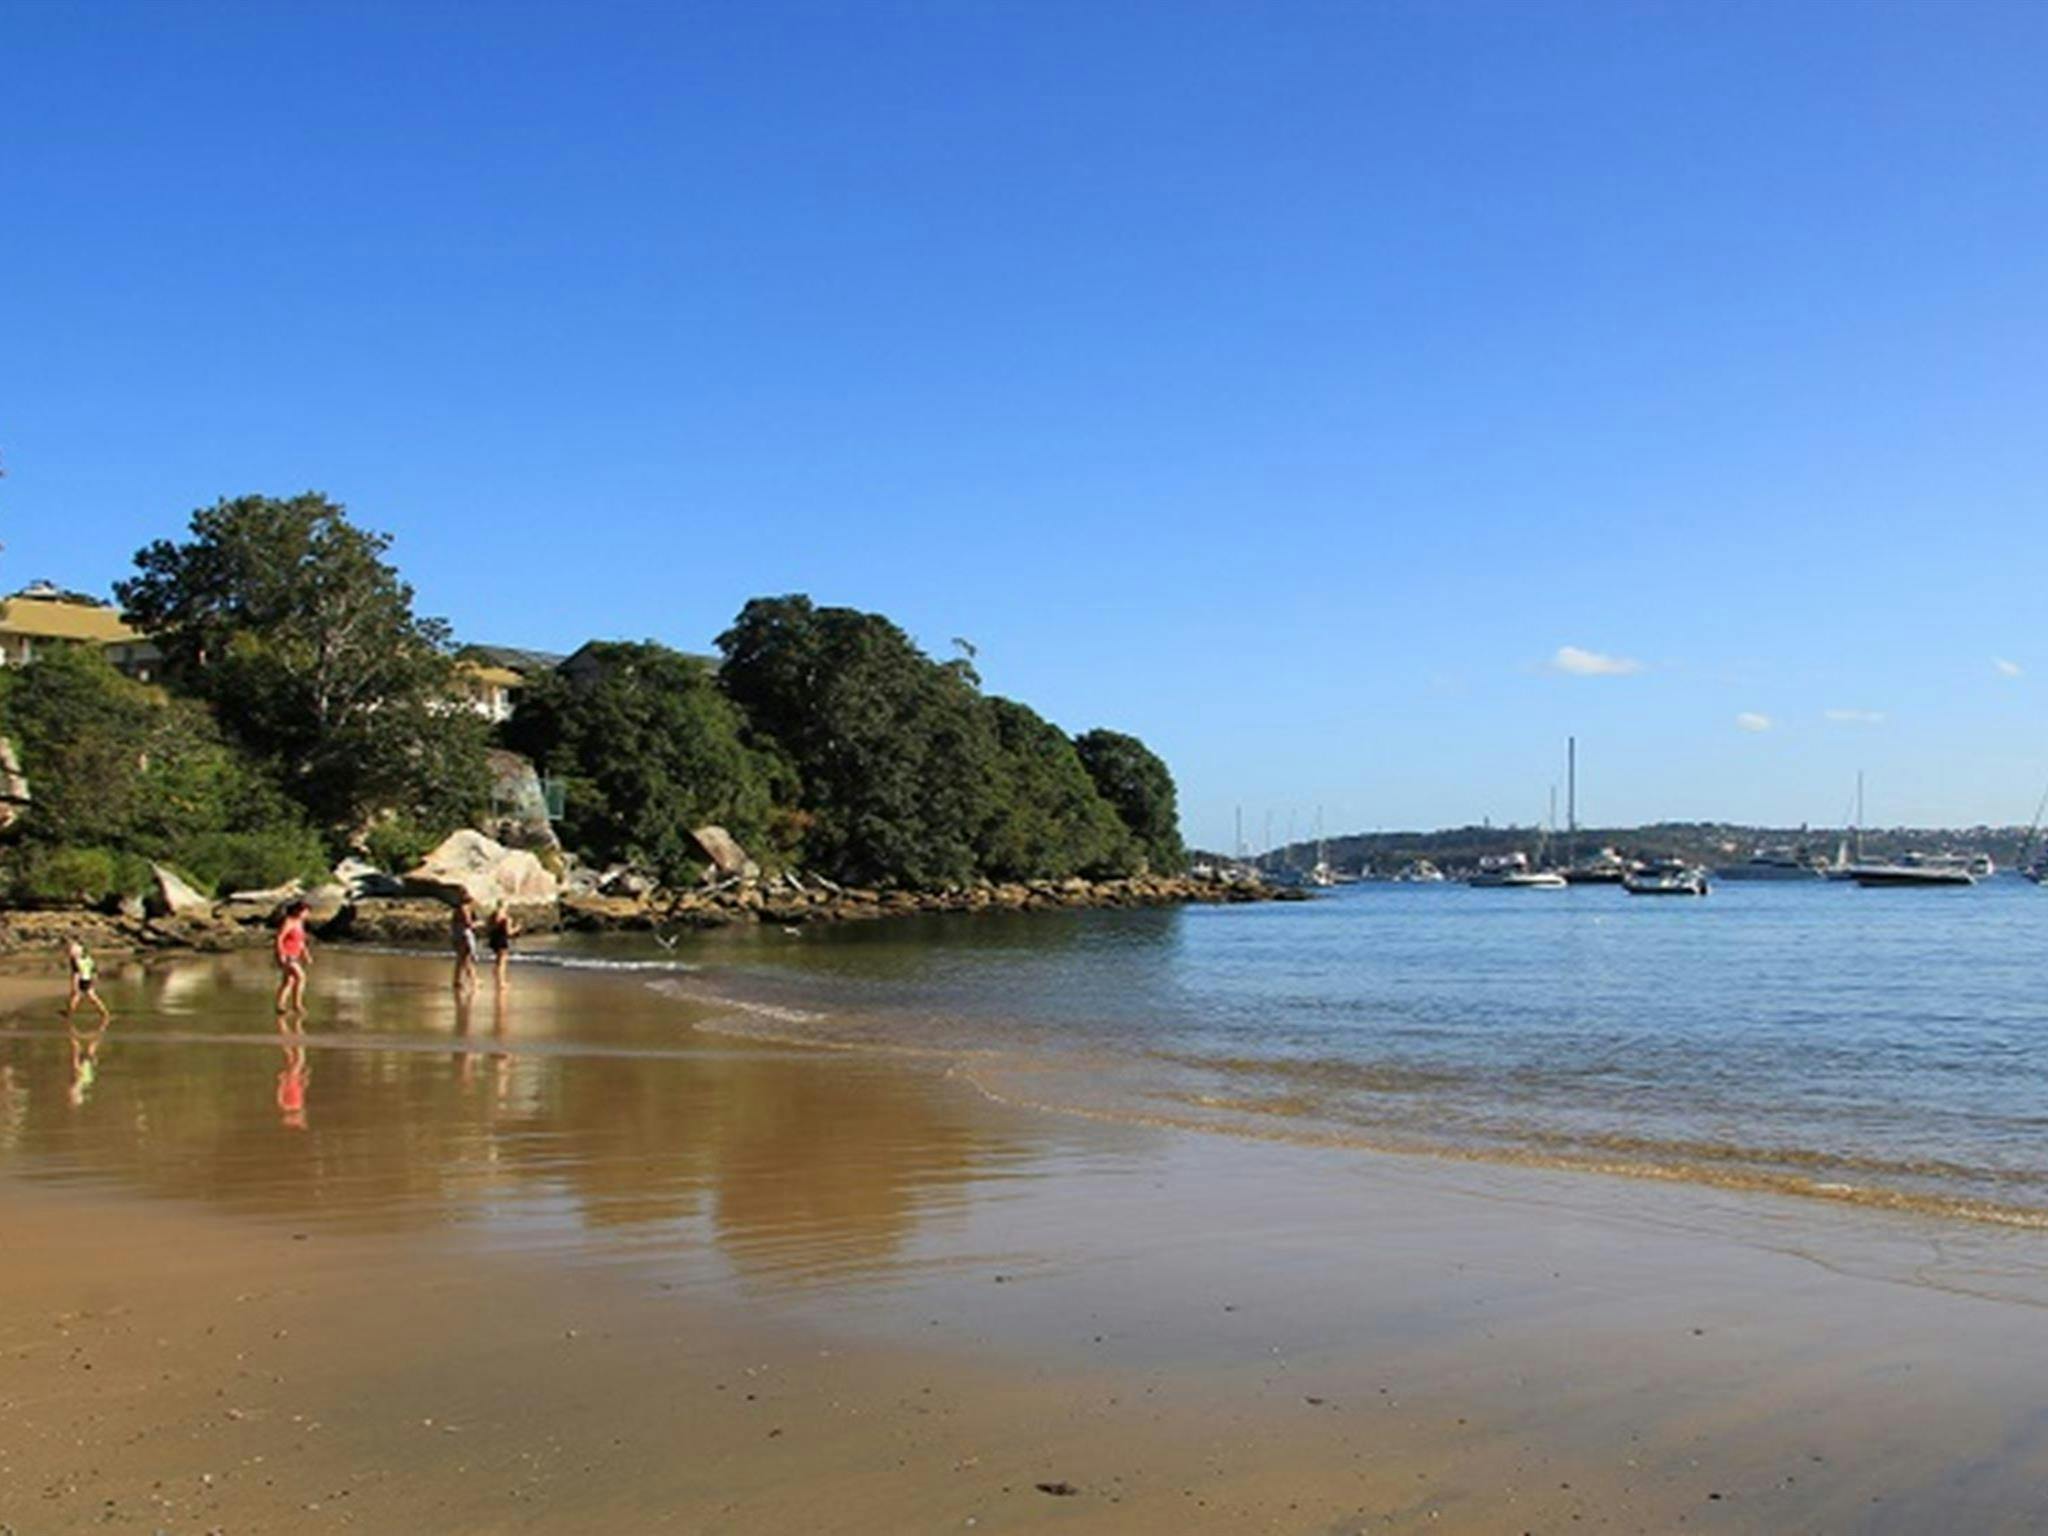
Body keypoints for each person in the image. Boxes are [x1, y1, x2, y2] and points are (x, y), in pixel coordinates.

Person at [274, 900, 312, 1014]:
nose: (306, 914)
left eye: (307, 912)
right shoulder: (289, 921)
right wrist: (281, 953)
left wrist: (306, 954)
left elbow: (301, 941)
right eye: (304, 911)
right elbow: (279, 938)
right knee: (301, 977)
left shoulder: (300, 923)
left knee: (288, 981)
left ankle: (280, 1005)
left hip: (295, 954)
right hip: (287, 954)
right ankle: (297, 1005)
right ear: (296, 910)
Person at [64, 939, 111, 1023]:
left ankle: (69, 1014)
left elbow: (76, 973)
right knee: (87, 997)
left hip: (82, 979)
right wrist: (94, 979)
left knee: (78, 996)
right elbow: (93, 969)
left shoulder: (75, 960)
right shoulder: (88, 958)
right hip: (88, 978)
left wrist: (74, 985)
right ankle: (104, 1013)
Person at [451, 893, 479, 993]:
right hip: (464, 935)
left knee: (461, 959)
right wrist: (478, 924)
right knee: (466, 959)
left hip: (457, 935)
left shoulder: (457, 909)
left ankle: (458, 980)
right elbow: (468, 924)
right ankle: (472, 980)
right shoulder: (465, 909)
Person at [487, 899, 518, 987]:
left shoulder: (493, 915)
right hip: (502, 940)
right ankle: (501, 982)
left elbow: (488, 927)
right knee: (502, 962)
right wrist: (516, 929)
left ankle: (498, 980)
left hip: (494, 939)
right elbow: (508, 932)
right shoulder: (506, 917)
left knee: (498, 961)